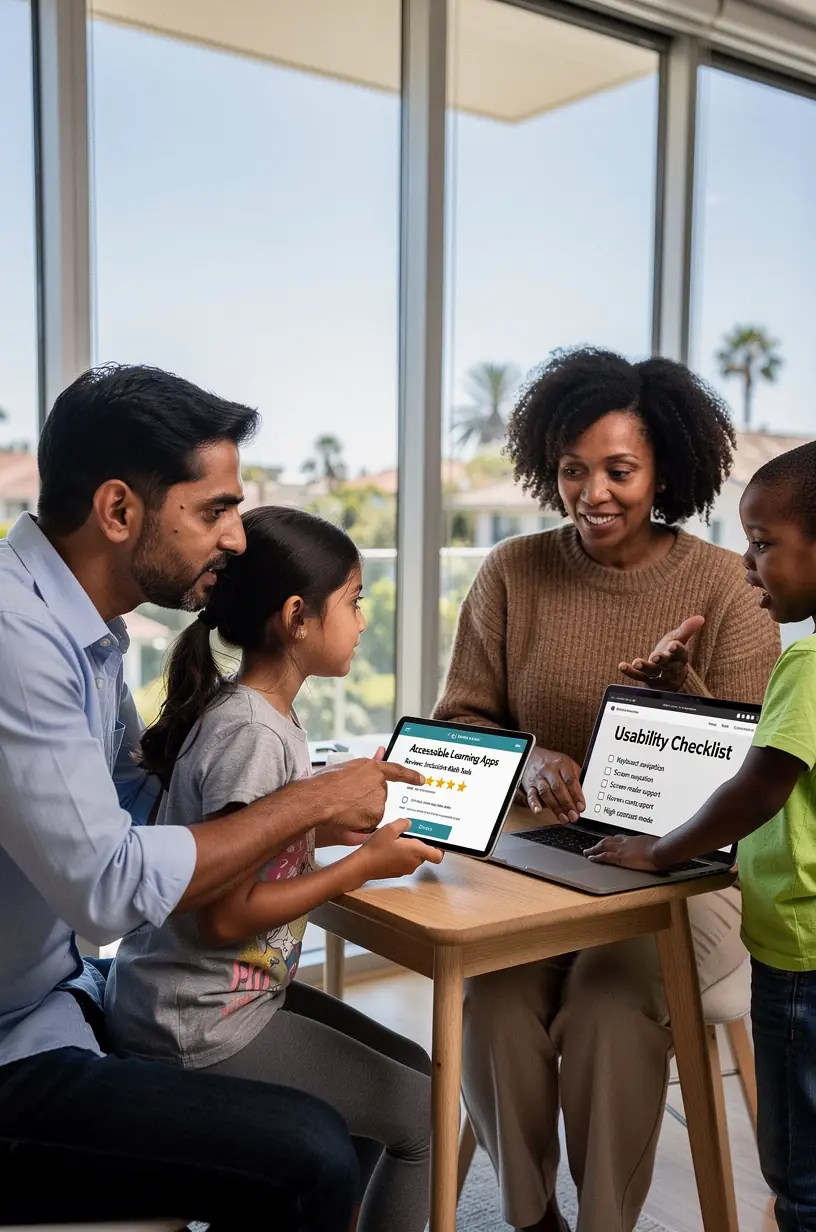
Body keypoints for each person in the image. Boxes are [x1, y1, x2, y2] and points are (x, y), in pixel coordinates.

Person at [0, 364, 424, 1228]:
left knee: (376, 1100)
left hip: (57, 996)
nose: (236, 539)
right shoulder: (17, 642)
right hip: (16, 1047)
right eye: (215, 510)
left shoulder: (85, 637)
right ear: (120, 511)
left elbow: (134, 808)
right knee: (307, 1154)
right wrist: (304, 804)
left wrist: (304, 807)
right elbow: (111, 885)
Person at [434, 346, 781, 1232]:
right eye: (573, 471)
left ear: (664, 466)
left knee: (607, 1008)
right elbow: (462, 720)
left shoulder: (726, 588)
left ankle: (604, 1226)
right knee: (498, 1002)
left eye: (619, 471)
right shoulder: (511, 572)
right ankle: (528, 1217)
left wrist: (681, 697)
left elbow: (758, 761)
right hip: (539, 864)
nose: (594, 493)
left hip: (685, 872)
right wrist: (529, 756)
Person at [106, 505, 441, 1232]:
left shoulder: (257, 714)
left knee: (416, 1066)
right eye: (353, 601)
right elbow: (224, 915)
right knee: (423, 1114)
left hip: (212, 1000)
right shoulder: (253, 732)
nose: (361, 617)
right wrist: (360, 868)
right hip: (200, 1023)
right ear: (297, 617)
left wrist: (326, 832)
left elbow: (247, 849)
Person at [586, 440, 816, 1232]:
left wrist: (657, 850)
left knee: (800, 1173)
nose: (749, 564)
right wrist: (687, 690)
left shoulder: (808, 662)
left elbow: (757, 785)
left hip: (797, 953)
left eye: (764, 543)